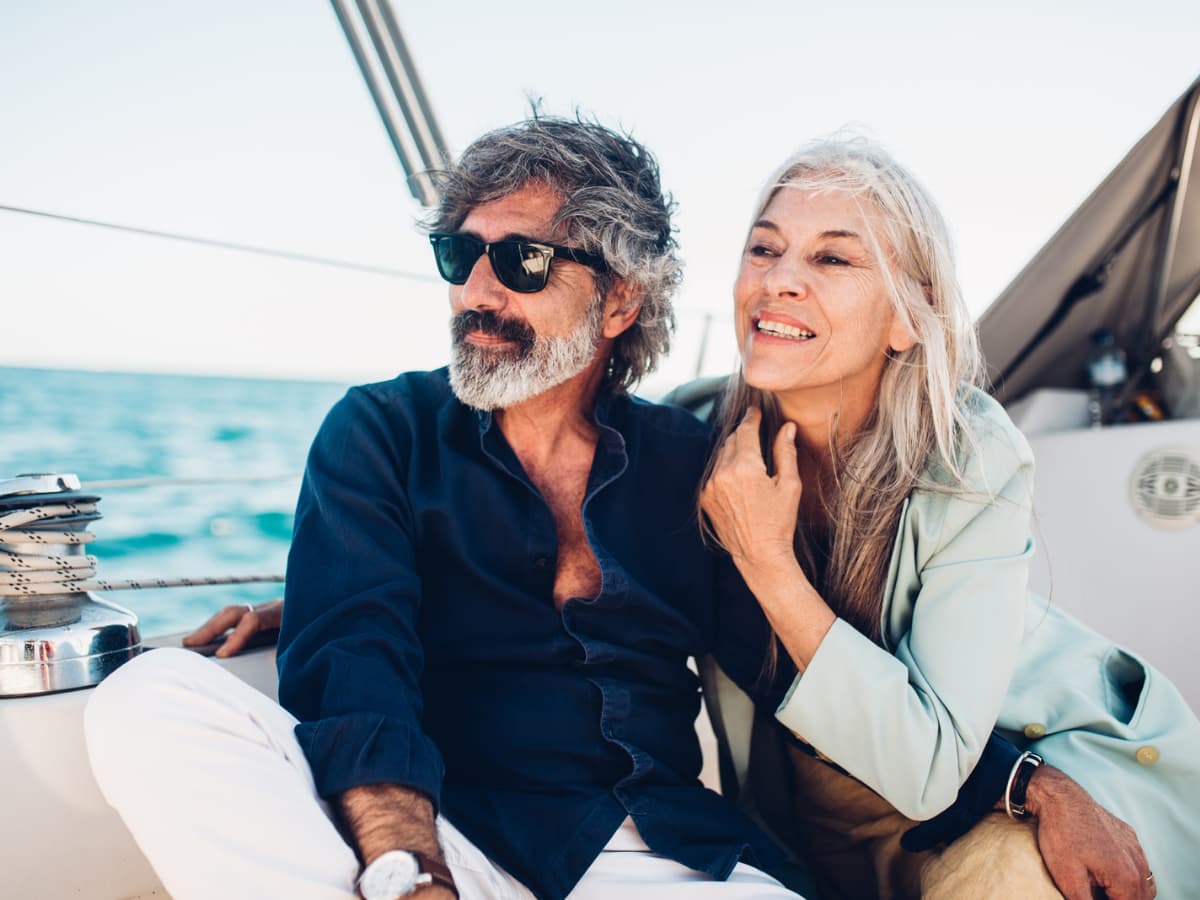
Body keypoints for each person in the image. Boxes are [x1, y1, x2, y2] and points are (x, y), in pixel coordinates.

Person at [95, 116, 1150, 900]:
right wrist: (405, 865)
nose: (477, 290)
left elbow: (792, 660)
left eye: (522, 260)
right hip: (459, 850)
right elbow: (359, 651)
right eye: (459, 256)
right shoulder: (381, 434)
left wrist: (1030, 786)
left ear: (620, 300)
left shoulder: (697, 464)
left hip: (676, 863)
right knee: (149, 701)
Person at [698, 136, 1200, 899]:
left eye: (833, 259)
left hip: (1030, 752)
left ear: (908, 319)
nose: (780, 281)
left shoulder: (965, 451)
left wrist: (768, 563)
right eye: (764, 249)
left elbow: (931, 767)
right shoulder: (684, 436)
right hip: (814, 805)